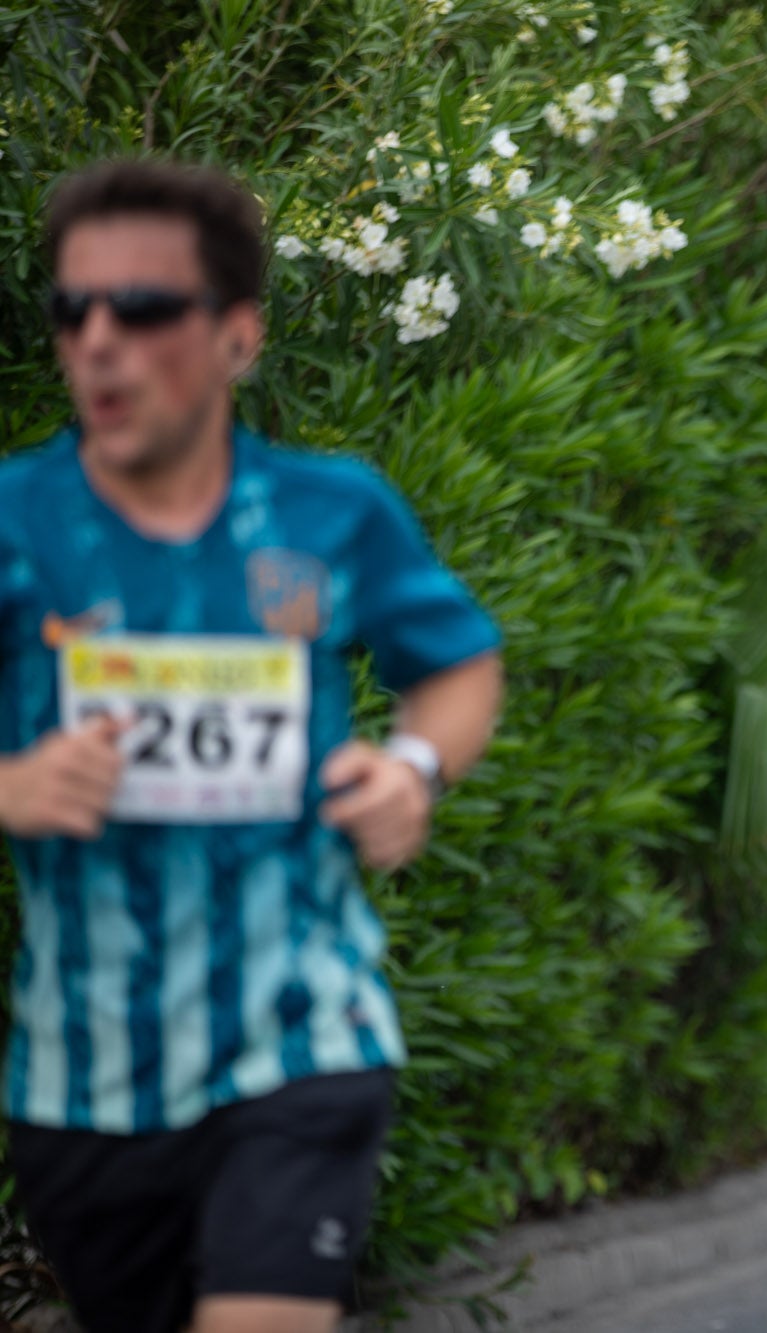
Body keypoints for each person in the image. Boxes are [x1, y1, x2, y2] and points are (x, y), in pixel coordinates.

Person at [0, 161, 504, 1333]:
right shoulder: (17, 520)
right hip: (81, 1080)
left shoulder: (333, 509)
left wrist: (410, 768)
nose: (102, 341)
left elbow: (459, 667)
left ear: (237, 335)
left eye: (146, 308)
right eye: (75, 311)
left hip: (301, 1037)